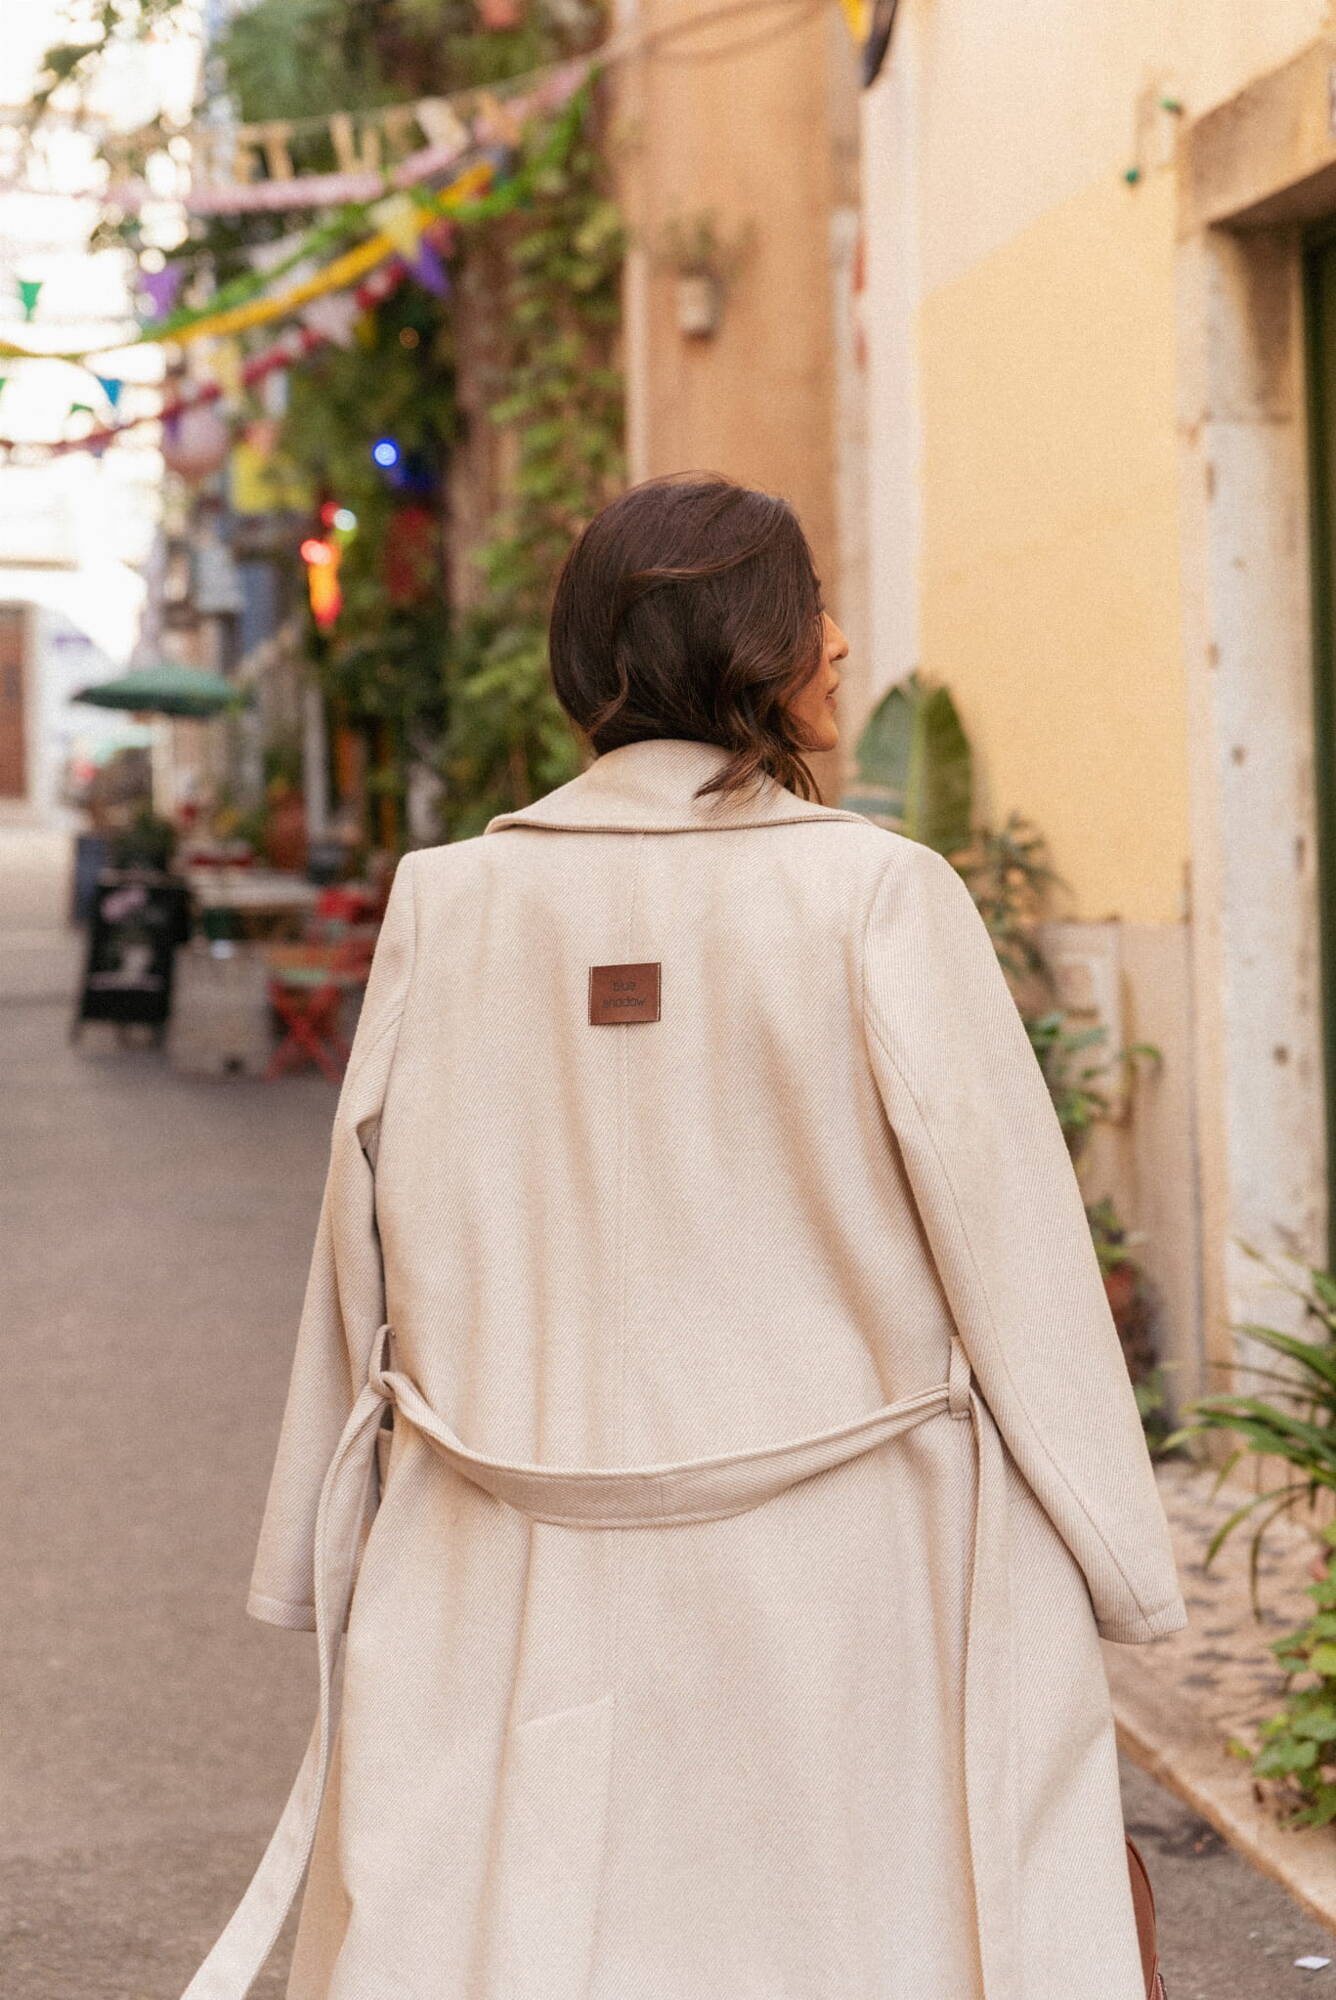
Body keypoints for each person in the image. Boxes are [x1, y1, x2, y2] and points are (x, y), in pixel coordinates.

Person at [181, 473, 1187, 2000]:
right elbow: (1022, 1263)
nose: (840, 642)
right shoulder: (877, 898)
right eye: (814, 609)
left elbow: (357, 1260)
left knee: (532, 1939)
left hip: (505, 1564)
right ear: (751, 645)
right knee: (838, 1943)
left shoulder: (450, 902)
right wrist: (1120, 1567)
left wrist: (318, 1553)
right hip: (855, 1579)